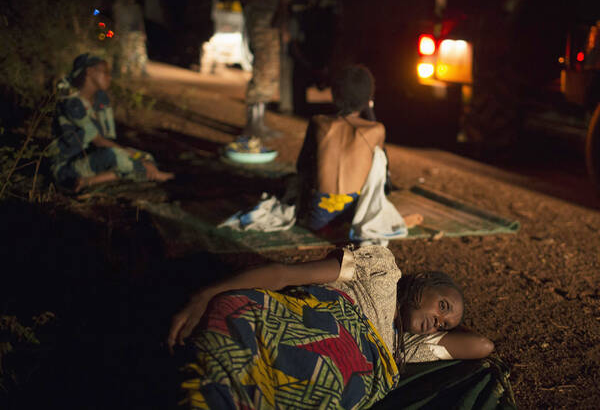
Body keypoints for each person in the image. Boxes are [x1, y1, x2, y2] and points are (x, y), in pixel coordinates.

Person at [167, 245, 494, 409]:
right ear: (423, 280)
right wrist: (206, 294)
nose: (438, 322)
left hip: (348, 362)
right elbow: (284, 275)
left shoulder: (407, 347)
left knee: (333, 375)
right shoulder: (382, 270)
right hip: (307, 315)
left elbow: (482, 346)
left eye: (444, 324)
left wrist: (448, 325)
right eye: (443, 307)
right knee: (235, 309)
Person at [295, 65, 404, 231]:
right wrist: (369, 108)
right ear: (368, 97)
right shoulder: (376, 130)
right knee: (377, 162)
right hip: (354, 213)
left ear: (334, 94)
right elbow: (383, 172)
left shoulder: (318, 122)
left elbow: (301, 165)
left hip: (318, 214)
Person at [49, 53, 173, 192]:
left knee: (146, 157)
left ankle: (87, 182)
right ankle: (78, 182)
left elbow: (107, 139)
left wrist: (140, 158)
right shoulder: (73, 104)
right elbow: (99, 141)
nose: (109, 77)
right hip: (67, 167)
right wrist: (135, 158)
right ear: (89, 72)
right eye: (105, 72)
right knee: (119, 157)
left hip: (93, 158)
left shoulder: (101, 99)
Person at [228, 0, 292, 150]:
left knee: (270, 71)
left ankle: (260, 123)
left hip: (272, 23)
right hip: (260, 22)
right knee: (262, 69)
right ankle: (251, 125)